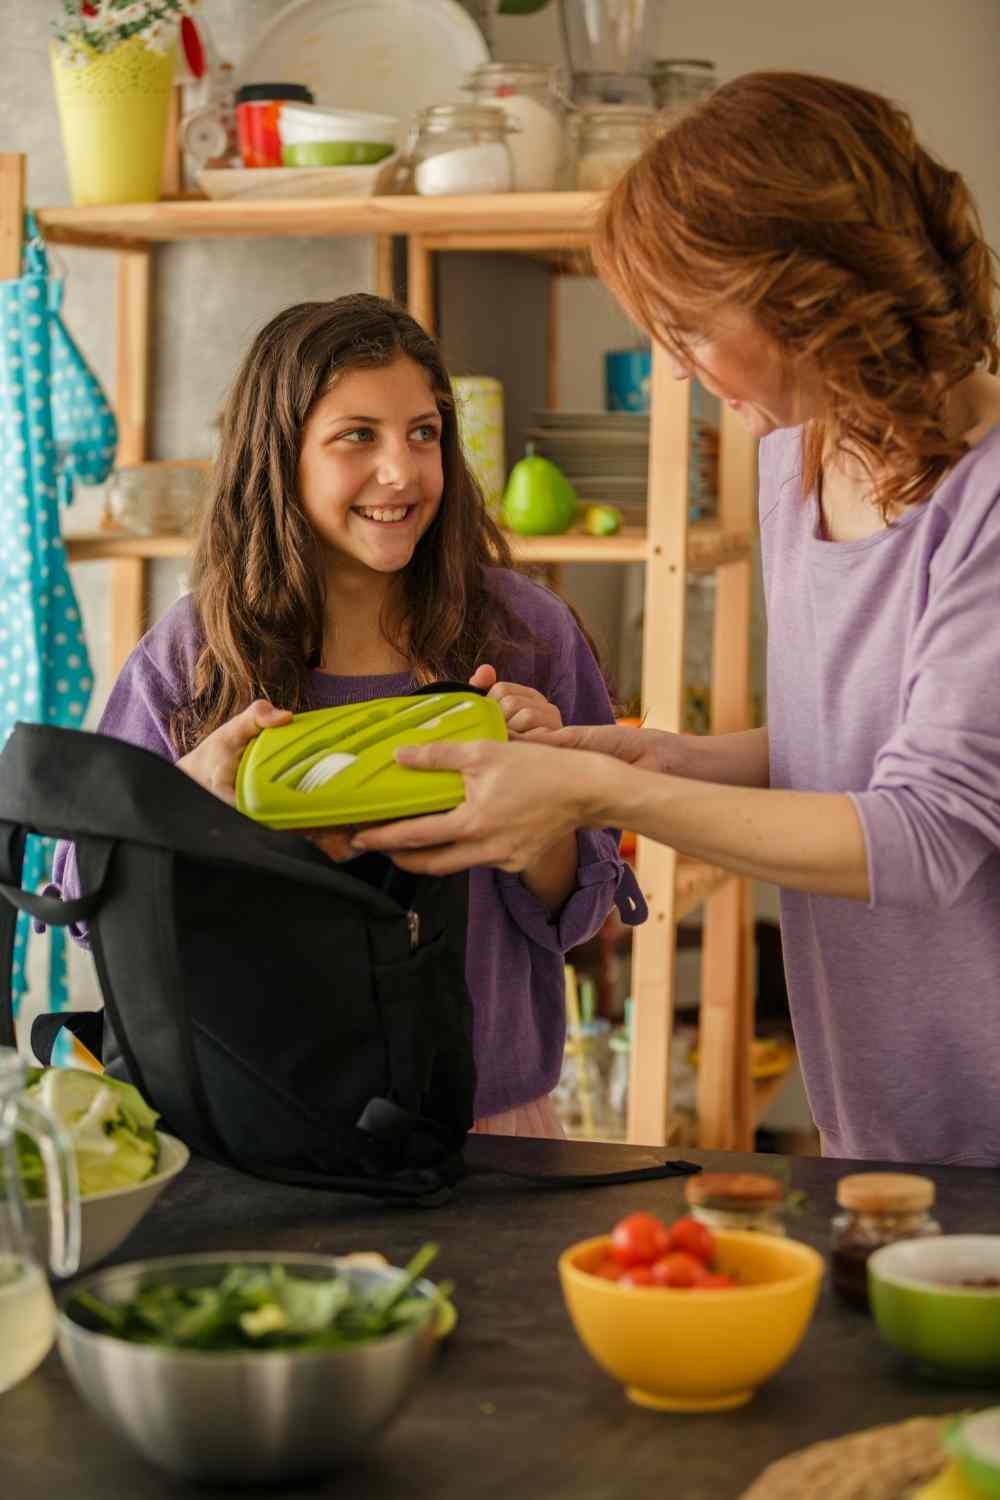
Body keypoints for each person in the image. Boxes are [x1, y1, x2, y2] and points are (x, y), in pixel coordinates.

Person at [354, 73, 1000, 1168]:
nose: (677, 363)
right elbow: (857, 745)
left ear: (807, 291)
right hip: (880, 1108)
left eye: (692, 323)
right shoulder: (796, 457)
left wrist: (604, 791)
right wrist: (671, 755)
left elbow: (926, 830)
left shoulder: (983, 498)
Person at [51, 293, 644, 1137]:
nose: (401, 470)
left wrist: (545, 800)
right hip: (251, 1127)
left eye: (424, 433)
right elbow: (86, 902)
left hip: (489, 1131)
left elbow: (577, 914)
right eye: (357, 436)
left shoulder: (527, 638)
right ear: (279, 456)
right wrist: (187, 805)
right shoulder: (193, 653)